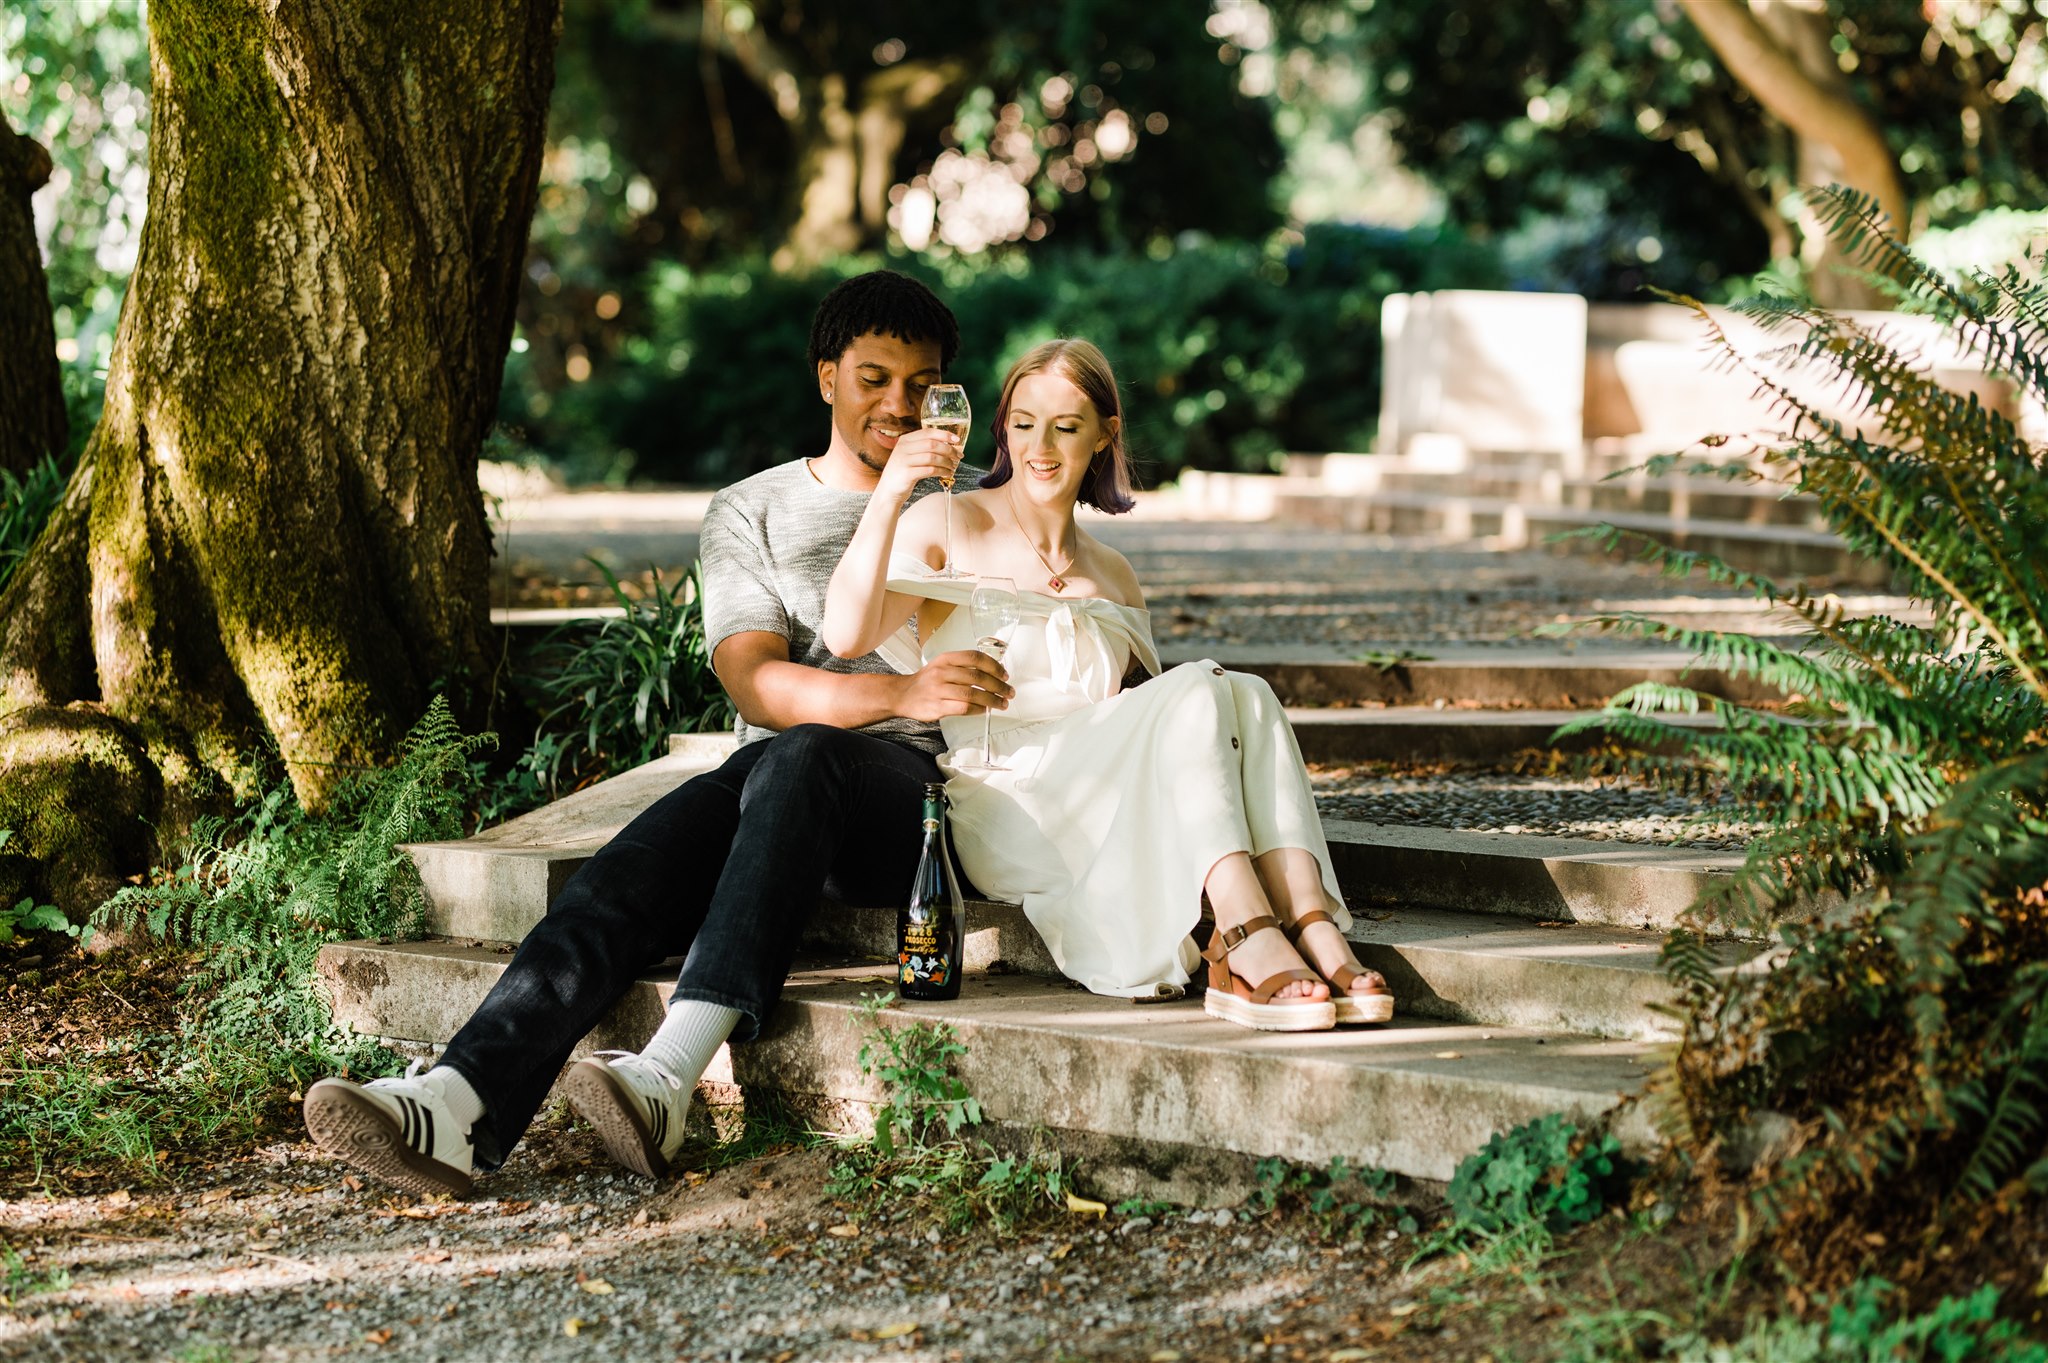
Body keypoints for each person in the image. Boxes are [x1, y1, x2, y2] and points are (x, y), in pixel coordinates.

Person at [301, 272, 1013, 1195]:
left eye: (922, 384)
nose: (899, 404)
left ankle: (671, 1073)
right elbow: (755, 683)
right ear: (827, 377)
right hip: (786, 781)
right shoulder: (749, 509)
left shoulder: (971, 505)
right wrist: (900, 689)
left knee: (794, 758)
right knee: (642, 861)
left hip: (918, 806)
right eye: (875, 377)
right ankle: (459, 1100)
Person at [823, 339, 1395, 1032]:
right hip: (1007, 798)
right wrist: (892, 490)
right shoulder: (949, 523)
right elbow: (847, 634)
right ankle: (1244, 933)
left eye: (1066, 427)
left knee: (1246, 694)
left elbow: (1182, 736)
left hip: (1097, 790)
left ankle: (1311, 921)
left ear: (1103, 436)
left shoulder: (1113, 572)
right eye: (1024, 422)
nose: (1041, 445)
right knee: (1202, 685)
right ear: (1000, 427)